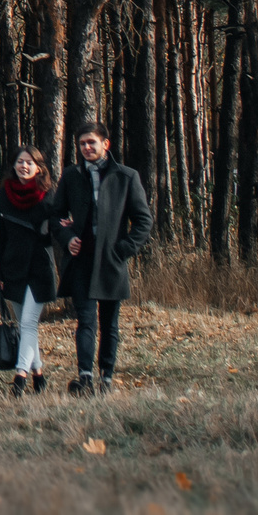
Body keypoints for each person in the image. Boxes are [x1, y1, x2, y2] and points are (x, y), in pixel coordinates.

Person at [57, 120, 153, 395]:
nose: (87, 148)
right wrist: (67, 238)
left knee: (109, 322)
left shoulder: (126, 176)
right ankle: (85, 377)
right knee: (85, 319)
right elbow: (56, 215)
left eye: (92, 142)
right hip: (81, 260)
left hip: (111, 260)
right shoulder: (71, 176)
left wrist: (123, 250)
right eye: (82, 144)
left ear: (105, 144)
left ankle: (106, 378)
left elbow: (144, 221)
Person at [0, 145, 60, 396]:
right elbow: (0, 238)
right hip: (12, 268)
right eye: (20, 162)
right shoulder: (2, 197)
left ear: (39, 168)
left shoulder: (49, 195)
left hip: (40, 267)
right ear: (14, 166)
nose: (24, 166)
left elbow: (57, 229)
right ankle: (38, 374)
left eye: (30, 162)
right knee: (23, 324)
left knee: (29, 323)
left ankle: (20, 379)